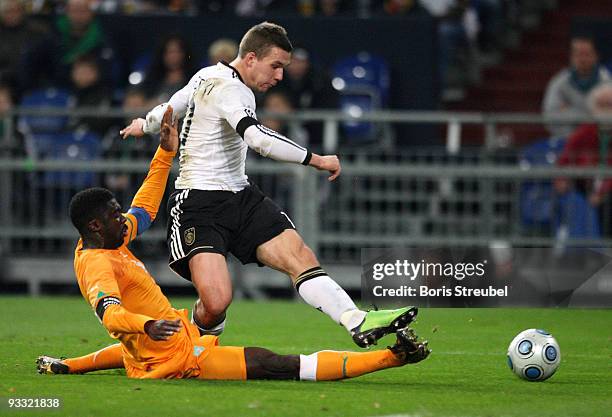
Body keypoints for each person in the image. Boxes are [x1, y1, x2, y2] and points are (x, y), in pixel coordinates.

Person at [36, 106, 430, 380]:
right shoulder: (97, 265)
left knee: (138, 351)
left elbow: (145, 209)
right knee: (273, 364)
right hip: (175, 358)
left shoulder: (109, 240)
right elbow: (112, 317)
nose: (124, 218)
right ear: (93, 225)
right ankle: (391, 358)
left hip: (171, 336)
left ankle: (72, 366)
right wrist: (149, 322)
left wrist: (164, 153)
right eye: (114, 214)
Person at [120, 21, 416, 348]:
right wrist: (317, 159)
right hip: (197, 205)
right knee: (216, 302)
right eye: (275, 66)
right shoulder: (232, 90)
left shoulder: (205, 75)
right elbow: (257, 138)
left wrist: (142, 123)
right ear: (250, 59)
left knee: (299, 256)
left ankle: (356, 319)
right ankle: (191, 346)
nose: (279, 77)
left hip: (241, 197)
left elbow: (169, 109)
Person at [542, 35, 611, 138]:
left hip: (600, 141)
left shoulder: (608, 81)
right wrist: (592, 115)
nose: (582, 59)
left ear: (596, 56)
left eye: (587, 54)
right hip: (566, 140)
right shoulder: (559, 82)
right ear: (571, 57)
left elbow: (608, 118)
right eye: (578, 54)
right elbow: (550, 116)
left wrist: (569, 111)